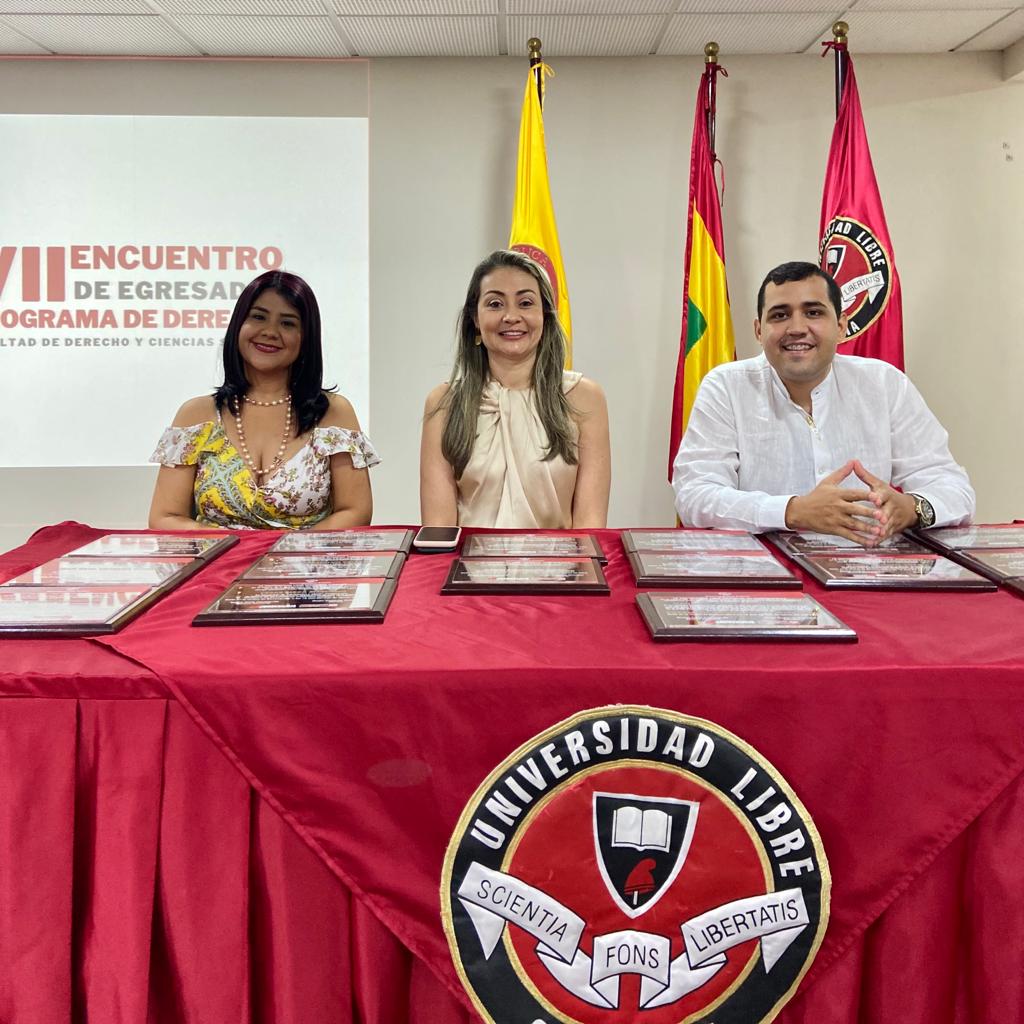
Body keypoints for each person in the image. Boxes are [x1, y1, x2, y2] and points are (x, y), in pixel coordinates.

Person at [671, 261, 974, 544]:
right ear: (759, 330)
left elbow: (954, 489)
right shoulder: (726, 387)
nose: (797, 328)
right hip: (767, 583)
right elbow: (695, 496)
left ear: (841, 326)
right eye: (780, 315)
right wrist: (793, 511)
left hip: (867, 576)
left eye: (813, 312)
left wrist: (911, 508)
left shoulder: (884, 384)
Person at [149, 270, 377, 530]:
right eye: (258, 317)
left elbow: (356, 511)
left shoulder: (334, 412)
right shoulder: (195, 415)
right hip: (218, 566)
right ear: (238, 326)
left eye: (288, 323)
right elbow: (165, 518)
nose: (270, 331)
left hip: (305, 566)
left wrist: (288, 550)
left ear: (306, 339)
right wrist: (232, 547)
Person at [420, 249, 610, 529]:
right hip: (469, 571)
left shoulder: (585, 398)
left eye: (525, 303)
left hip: (560, 569)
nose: (511, 316)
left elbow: (590, 527)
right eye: (495, 304)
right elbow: (439, 529)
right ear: (475, 318)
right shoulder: (444, 403)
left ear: (544, 315)